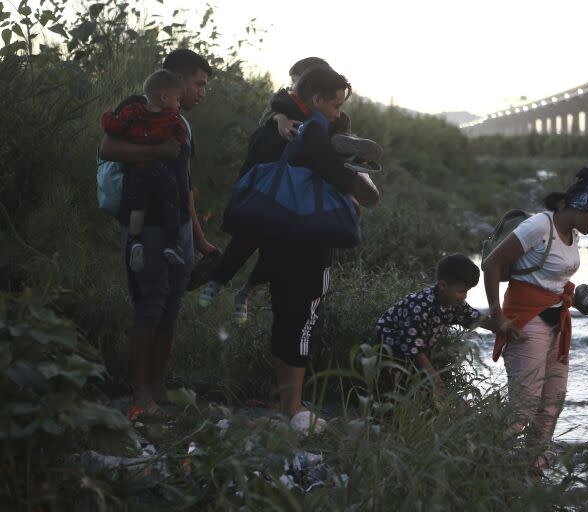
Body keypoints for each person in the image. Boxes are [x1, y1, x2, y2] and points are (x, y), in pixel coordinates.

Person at [216, 66, 379, 425]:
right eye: (335, 105)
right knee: (302, 321)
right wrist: (358, 184)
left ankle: (285, 403)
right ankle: (294, 408)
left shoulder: (272, 129)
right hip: (311, 241)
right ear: (317, 99)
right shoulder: (323, 133)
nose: (338, 112)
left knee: (283, 318)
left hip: (277, 235)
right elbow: (356, 188)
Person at [198, 58, 381, 323]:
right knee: (248, 235)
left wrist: (350, 161)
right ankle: (220, 280)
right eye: (294, 79)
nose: (294, 84)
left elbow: (334, 152)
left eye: (298, 78)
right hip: (272, 181)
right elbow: (269, 118)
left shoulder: (330, 114)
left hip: (302, 192)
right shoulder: (284, 104)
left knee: (275, 247)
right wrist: (279, 119)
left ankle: (245, 291)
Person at [98, 48, 217, 416]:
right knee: (149, 302)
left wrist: (197, 237)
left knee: (171, 303)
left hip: (177, 225)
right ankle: (140, 393)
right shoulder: (140, 108)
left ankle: (158, 387)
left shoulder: (183, 121)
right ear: (175, 81)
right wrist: (158, 151)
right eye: (198, 84)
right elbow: (109, 147)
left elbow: (185, 182)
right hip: (145, 225)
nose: (201, 92)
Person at [481, 167, 588, 473]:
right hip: (526, 320)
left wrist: (585, 300)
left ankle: (532, 469)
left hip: (557, 320)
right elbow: (492, 263)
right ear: (576, 206)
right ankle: (487, 468)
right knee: (522, 407)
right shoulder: (539, 225)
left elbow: (553, 279)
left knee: (553, 401)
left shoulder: (573, 234)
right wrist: (497, 315)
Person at [374, 254, 513, 399]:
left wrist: (503, 327)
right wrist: (437, 381)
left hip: (414, 352)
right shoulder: (421, 307)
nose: (464, 297)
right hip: (388, 351)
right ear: (443, 286)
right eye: (461, 291)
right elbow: (415, 350)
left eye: (467, 292)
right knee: (398, 390)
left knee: (421, 390)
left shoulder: (453, 303)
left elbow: (476, 318)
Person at [101, 69, 188, 272]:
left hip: (138, 171)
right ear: (165, 97)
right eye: (177, 99)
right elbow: (180, 138)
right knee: (170, 202)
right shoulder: (171, 118)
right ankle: (171, 243)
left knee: (138, 207)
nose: (178, 104)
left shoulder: (133, 111)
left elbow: (113, 126)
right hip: (161, 172)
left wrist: (106, 115)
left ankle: (135, 240)